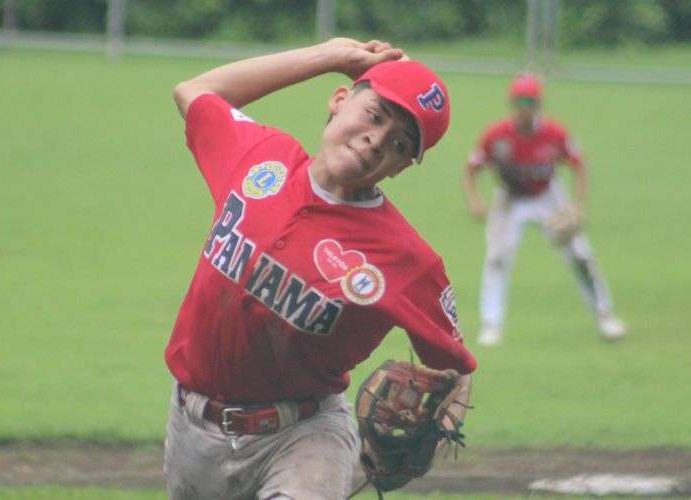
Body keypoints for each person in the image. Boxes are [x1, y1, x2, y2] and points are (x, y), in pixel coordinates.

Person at [163, 38, 476, 500]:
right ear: (340, 100)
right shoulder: (260, 156)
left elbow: (456, 365)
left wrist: (441, 428)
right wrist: (331, 57)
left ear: (401, 168)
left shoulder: (406, 260)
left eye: (400, 143)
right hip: (192, 429)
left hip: (303, 438)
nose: (377, 140)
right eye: (375, 115)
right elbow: (195, 91)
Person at [463, 72, 626, 347]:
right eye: (520, 101)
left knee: (581, 256)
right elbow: (472, 169)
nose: (525, 107)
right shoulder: (497, 135)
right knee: (497, 259)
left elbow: (578, 164)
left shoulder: (554, 134)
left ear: (539, 104)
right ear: (511, 103)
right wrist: (475, 200)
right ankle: (491, 325)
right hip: (510, 198)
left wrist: (576, 202)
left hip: (548, 195)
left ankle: (605, 317)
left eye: (531, 101)